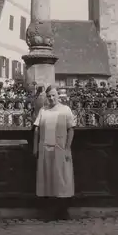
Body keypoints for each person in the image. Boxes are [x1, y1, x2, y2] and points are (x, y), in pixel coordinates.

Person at [33, 85, 75, 220]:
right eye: (49, 96)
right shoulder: (43, 110)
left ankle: (62, 211)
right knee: (47, 179)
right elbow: (37, 130)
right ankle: (49, 212)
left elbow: (71, 129)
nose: (51, 98)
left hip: (60, 149)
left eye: (53, 95)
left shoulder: (65, 110)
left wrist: (67, 148)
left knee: (61, 180)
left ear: (58, 96)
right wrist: (35, 147)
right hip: (45, 149)